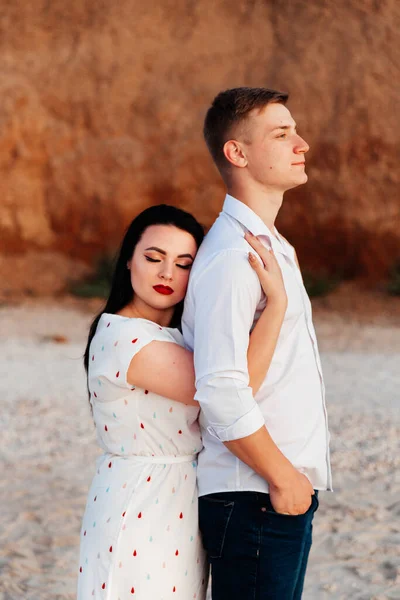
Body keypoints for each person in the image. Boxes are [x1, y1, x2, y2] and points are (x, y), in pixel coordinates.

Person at [77, 203, 288, 600]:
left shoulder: (174, 337)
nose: (166, 273)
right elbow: (233, 389)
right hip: (140, 500)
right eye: (153, 257)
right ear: (127, 261)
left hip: (178, 501)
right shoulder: (124, 338)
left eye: (184, 263)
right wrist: (277, 306)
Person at [182, 87, 333, 600]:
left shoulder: (268, 245)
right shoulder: (232, 256)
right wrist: (285, 478)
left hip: (271, 493)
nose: (302, 143)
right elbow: (220, 389)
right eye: (282, 133)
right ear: (237, 153)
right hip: (256, 494)